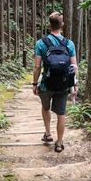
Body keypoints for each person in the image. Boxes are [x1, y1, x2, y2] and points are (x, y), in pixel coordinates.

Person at [33, 12, 78, 153]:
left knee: (45, 108)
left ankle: (48, 134)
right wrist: (74, 85)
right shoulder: (69, 44)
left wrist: (35, 84)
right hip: (63, 84)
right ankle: (59, 143)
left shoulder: (41, 43)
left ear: (49, 25)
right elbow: (74, 67)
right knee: (61, 113)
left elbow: (37, 67)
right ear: (62, 25)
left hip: (46, 84)